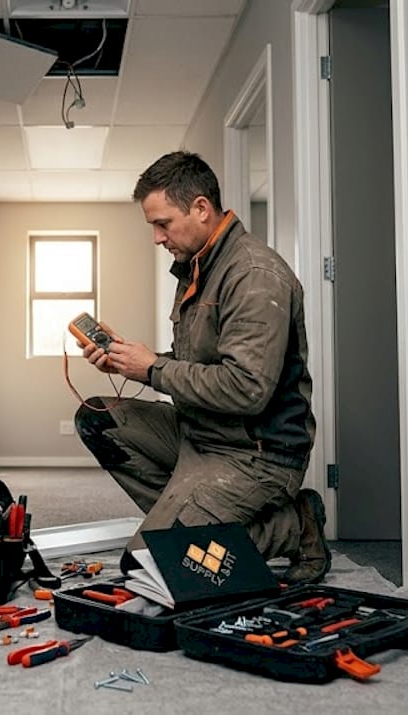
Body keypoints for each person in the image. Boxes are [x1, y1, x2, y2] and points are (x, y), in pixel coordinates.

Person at [73, 151, 329, 585]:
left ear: (201, 208)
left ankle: (293, 526)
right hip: (200, 433)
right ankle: (188, 516)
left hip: (254, 453)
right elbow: (197, 367)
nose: (156, 238)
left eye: (163, 224)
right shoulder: (198, 268)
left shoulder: (253, 274)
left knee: (149, 565)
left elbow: (246, 388)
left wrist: (152, 369)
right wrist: (128, 361)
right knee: (98, 420)